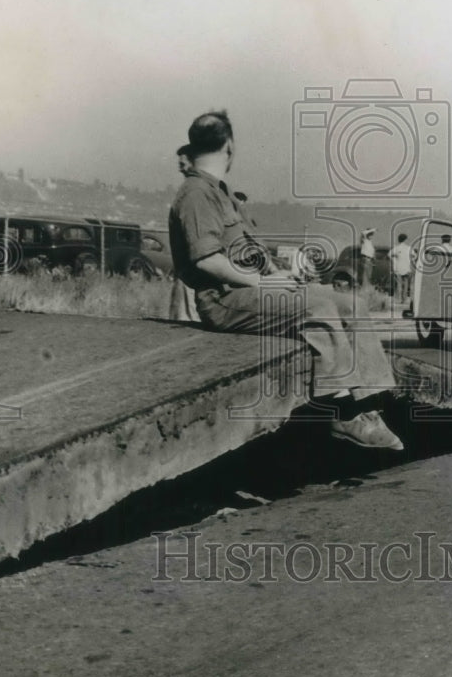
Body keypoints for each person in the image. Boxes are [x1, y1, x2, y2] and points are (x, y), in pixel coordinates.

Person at [168, 110, 404, 450]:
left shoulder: (222, 194)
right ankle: (342, 413)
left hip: (249, 289)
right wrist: (262, 284)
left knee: (351, 303)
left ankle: (368, 404)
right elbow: (207, 260)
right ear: (229, 147)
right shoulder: (195, 193)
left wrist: (278, 273)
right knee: (320, 305)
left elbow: (245, 251)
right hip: (224, 300)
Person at [168, 145, 200, 323]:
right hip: (186, 273)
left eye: (184, 161)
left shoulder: (195, 191)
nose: (180, 166)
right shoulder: (189, 190)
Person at [390, 233, 415, 306]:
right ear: (405, 239)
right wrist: (410, 260)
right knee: (406, 285)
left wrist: (394, 259)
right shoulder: (409, 248)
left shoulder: (396, 248)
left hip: (398, 268)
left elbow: (389, 254)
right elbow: (415, 256)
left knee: (399, 285)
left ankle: (399, 299)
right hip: (407, 268)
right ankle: (404, 299)